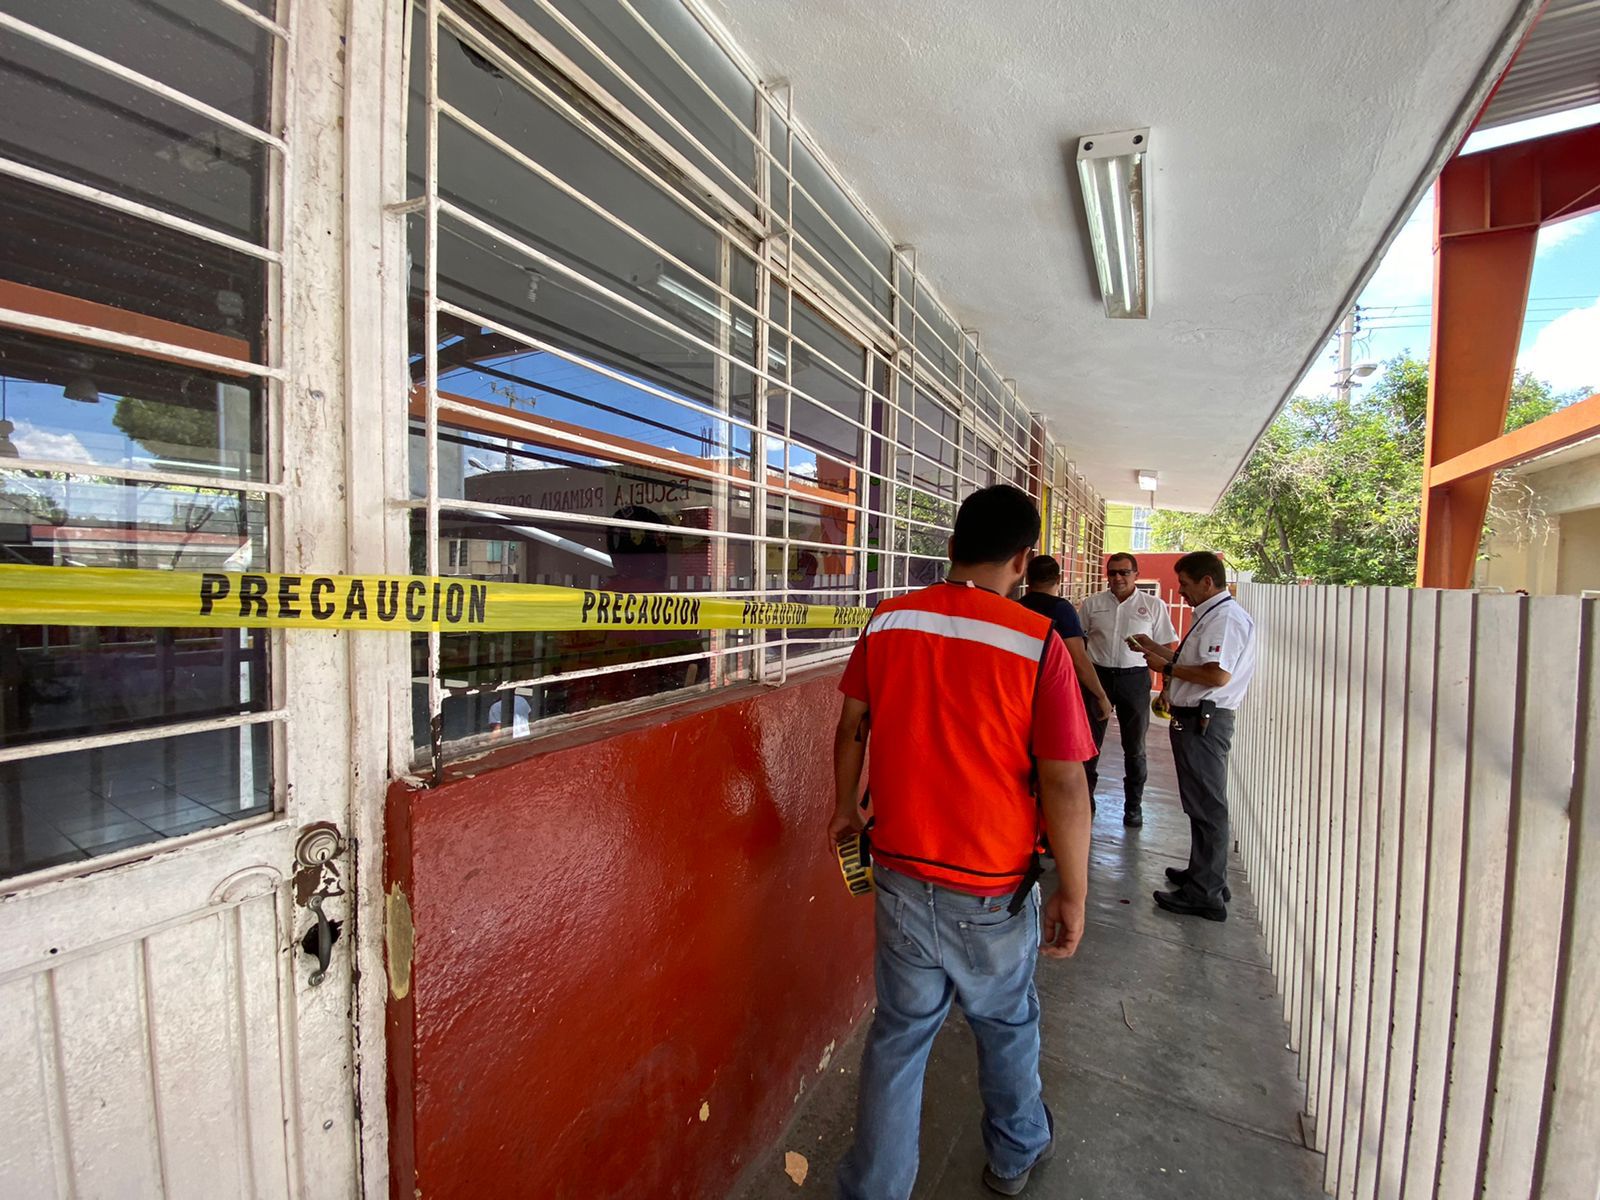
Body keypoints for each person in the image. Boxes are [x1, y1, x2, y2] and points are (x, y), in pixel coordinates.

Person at [830, 484, 1095, 1199]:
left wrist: (842, 810)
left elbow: (852, 721)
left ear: (950, 548)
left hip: (899, 872)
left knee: (900, 1035)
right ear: (1023, 558)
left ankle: (874, 1189)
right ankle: (1014, 1158)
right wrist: (1074, 888)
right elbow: (1065, 783)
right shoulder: (1036, 641)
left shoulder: (887, 620)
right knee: (1006, 1025)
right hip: (991, 887)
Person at [1134, 551, 1256, 921]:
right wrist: (1154, 649)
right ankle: (1204, 875)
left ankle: (1207, 892)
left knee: (1207, 805)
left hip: (1206, 719)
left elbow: (1217, 675)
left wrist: (1166, 665)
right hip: (1197, 717)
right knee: (1200, 802)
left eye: (1185, 584)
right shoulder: (1213, 615)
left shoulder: (1224, 619)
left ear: (1207, 581)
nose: (1181, 591)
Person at [1076, 554, 1177, 827]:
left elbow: (1168, 648)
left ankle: (1133, 806)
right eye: (1112, 573)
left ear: (1136, 574)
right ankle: (1086, 801)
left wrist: (1167, 689)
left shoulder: (1153, 606)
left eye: (1124, 572)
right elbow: (1078, 642)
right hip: (1098, 680)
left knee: (1135, 748)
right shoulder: (1093, 604)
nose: (1117, 578)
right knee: (1088, 745)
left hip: (1135, 679)